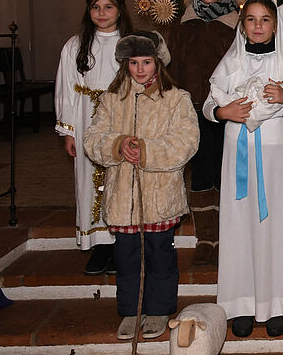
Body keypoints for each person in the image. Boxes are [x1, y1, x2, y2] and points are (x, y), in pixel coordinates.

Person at [204, 0, 283, 338]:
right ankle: (240, 304)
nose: (258, 26)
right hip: (237, 146)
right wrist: (223, 112)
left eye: (265, 20)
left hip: (273, 152)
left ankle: (275, 305)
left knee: (274, 223)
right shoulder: (231, 61)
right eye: (251, 20)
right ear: (243, 25)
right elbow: (208, 103)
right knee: (238, 224)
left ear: (276, 24)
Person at [83, 31, 199, 341]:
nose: (140, 69)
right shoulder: (111, 99)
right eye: (133, 62)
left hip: (160, 195)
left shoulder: (177, 98)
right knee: (127, 258)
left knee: (160, 255)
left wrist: (147, 150)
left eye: (146, 62)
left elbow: (186, 142)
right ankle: (131, 310)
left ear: (158, 63)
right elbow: (93, 139)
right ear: (125, 65)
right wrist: (118, 145)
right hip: (123, 198)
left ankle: (159, 308)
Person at [168, 0, 245, 265]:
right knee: (200, 174)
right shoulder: (184, 23)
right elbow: (171, 64)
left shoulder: (236, 22)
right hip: (193, 109)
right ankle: (206, 239)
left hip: (227, 110)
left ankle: (229, 237)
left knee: (226, 173)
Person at [55, 0, 132, 275]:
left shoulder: (130, 43)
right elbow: (66, 90)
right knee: (88, 179)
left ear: (120, 11)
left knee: (120, 179)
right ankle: (99, 246)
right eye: (96, 7)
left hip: (120, 119)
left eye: (108, 7)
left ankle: (119, 244)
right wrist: (68, 131)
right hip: (86, 118)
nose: (102, 13)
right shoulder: (75, 46)